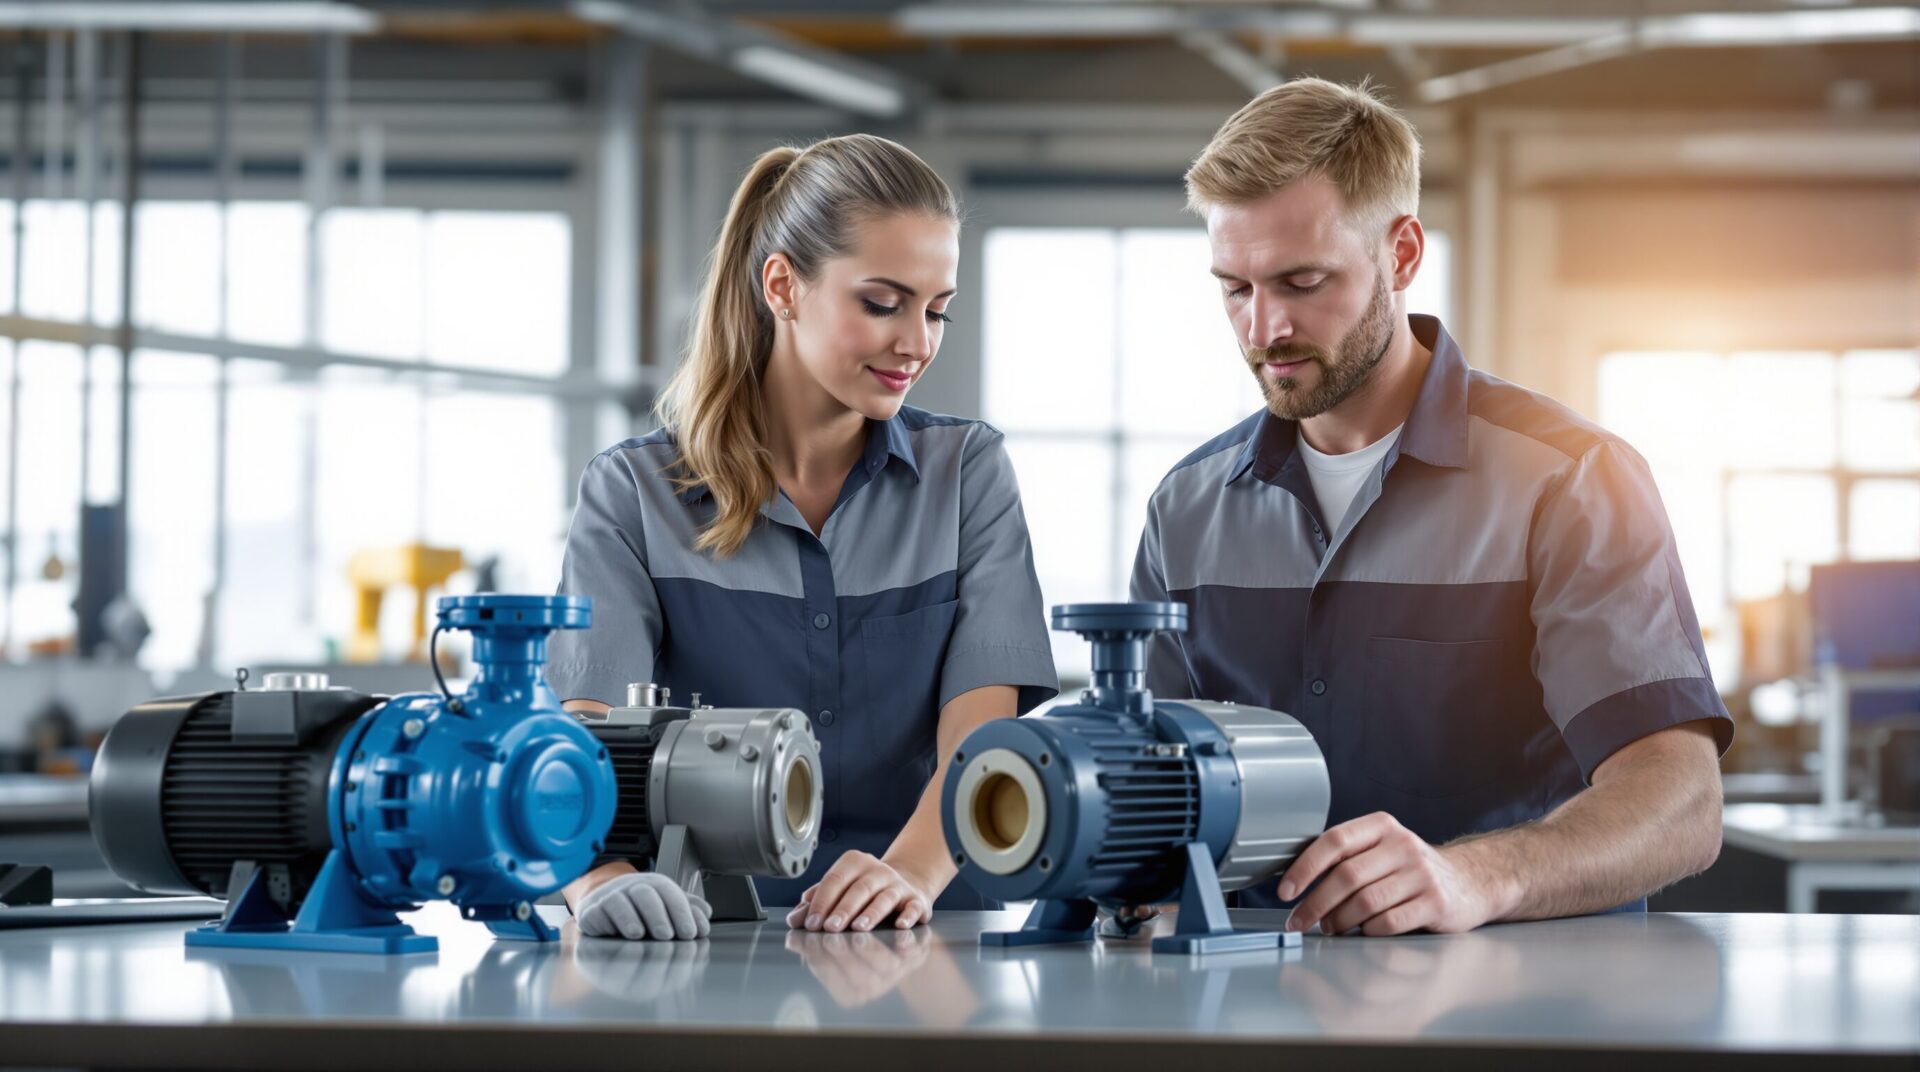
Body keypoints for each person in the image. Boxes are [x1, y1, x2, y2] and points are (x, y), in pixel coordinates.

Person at [1131, 78, 1732, 936]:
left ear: (1402, 253)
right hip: (1258, 1005)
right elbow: (1159, 790)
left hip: (1524, 1009)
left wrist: (1477, 879)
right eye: (1235, 287)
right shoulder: (1185, 509)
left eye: (1303, 281)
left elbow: (1679, 804)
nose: (1264, 329)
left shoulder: (1570, 481)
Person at [548, 134, 1058, 941]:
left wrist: (910, 874)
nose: (918, 343)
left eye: (937, 310)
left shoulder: (968, 473)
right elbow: (582, 740)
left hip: (927, 936)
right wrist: (598, 881)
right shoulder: (633, 494)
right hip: (700, 942)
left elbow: (983, 735)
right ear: (783, 286)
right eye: (883, 304)